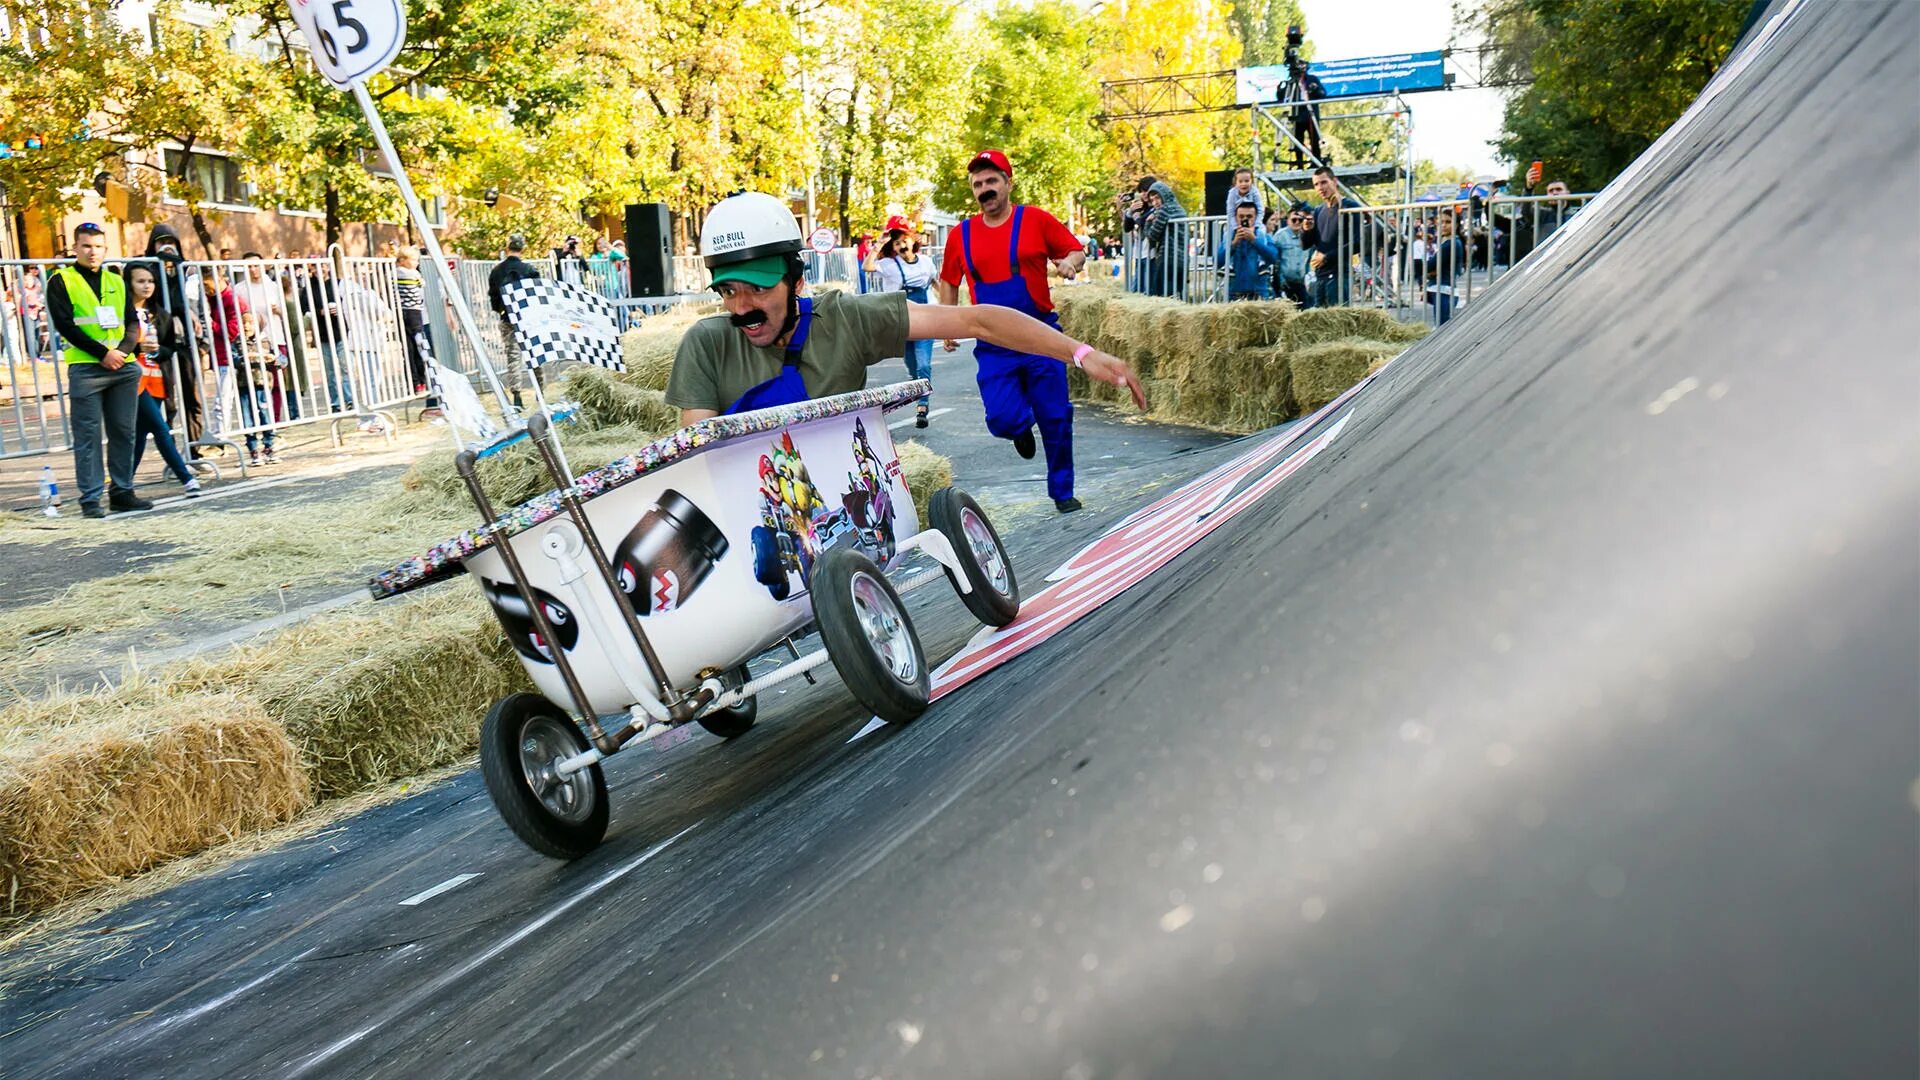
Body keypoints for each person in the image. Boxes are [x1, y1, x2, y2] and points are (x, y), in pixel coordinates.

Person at [667, 189, 1145, 516]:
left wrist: (1080, 353)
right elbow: (699, 459)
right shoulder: (707, 343)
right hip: (757, 509)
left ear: (796, 280)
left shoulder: (844, 319)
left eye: (757, 288)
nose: (742, 307)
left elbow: (979, 319)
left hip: (848, 500)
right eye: (728, 291)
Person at [936, 150, 1124, 512]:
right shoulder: (960, 235)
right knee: (1002, 417)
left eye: (992, 181)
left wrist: (1069, 264)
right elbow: (948, 280)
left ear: (1008, 183)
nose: (984, 189)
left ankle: (1062, 492)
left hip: (1042, 338)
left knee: (1055, 416)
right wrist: (947, 322)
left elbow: (1075, 251)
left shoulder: (1035, 220)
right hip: (993, 345)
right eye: (978, 184)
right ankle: (1019, 429)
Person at [46, 222, 150, 517]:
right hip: (87, 368)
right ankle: (90, 498)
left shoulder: (116, 279)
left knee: (123, 432)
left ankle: (122, 491)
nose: (92, 252)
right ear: (76, 248)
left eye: (98, 246)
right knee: (88, 435)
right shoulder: (61, 280)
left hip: (123, 367)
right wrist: (104, 353)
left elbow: (132, 321)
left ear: (105, 249)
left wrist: (122, 352)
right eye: (86, 246)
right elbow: (65, 325)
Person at [125, 263, 201, 496]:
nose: (146, 286)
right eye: (140, 281)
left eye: (150, 281)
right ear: (129, 283)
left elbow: (171, 346)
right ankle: (186, 478)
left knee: (140, 433)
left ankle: (123, 483)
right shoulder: (122, 312)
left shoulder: (160, 313)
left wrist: (158, 351)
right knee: (160, 427)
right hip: (132, 380)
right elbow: (118, 344)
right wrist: (138, 347)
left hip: (156, 379)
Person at [861, 215, 937, 428]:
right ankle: (921, 388)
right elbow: (867, 267)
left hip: (924, 319)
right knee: (912, 366)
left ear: (913, 241)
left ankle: (922, 405)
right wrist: (879, 243)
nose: (901, 245)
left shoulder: (926, 263)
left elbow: (935, 283)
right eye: (896, 243)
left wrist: (947, 312)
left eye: (904, 240)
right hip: (900, 322)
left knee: (924, 364)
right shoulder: (888, 264)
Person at [141, 224, 203, 451]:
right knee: (167, 398)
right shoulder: (147, 269)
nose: (167, 247)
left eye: (171, 242)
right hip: (160, 338)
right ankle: (170, 448)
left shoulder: (183, 269)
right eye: (161, 242)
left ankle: (194, 447)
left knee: (191, 395)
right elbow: (154, 299)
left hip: (183, 338)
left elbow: (181, 302)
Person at [486, 233, 542, 406]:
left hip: (508, 317)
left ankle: (517, 396)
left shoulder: (496, 271)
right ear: (522, 248)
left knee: (513, 356)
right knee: (535, 353)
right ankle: (539, 392)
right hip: (528, 317)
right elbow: (537, 294)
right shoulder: (530, 270)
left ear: (507, 247)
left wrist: (501, 311)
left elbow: (493, 298)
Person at [234, 253, 291, 421]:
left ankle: (275, 419)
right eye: (248, 266)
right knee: (254, 381)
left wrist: (278, 311)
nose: (252, 270)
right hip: (252, 340)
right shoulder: (239, 289)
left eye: (255, 265)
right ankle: (257, 420)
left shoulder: (273, 286)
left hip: (275, 336)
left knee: (277, 379)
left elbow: (286, 313)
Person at [1301, 166, 1362, 308]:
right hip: (1320, 276)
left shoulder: (1350, 207)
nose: (1320, 188)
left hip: (1340, 275)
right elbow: (1306, 245)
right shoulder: (1317, 211)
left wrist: (1326, 257)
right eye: (1316, 184)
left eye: (1324, 182)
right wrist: (1306, 230)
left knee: (1340, 323)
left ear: (1334, 181)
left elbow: (1357, 243)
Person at [393, 246, 440, 416]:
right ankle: (423, 382)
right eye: (413, 260)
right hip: (414, 312)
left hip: (401, 313)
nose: (416, 263)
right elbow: (422, 286)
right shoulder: (414, 275)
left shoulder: (392, 274)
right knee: (421, 348)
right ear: (403, 260)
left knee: (409, 350)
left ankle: (416, 383)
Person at [1216, 200, 1279, 302]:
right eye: (1241, 217)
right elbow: (1217, 262)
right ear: (1236, 218)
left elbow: (1273, 258)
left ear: (1256, 218)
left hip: (1259, 292)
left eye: (1249, 217)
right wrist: (1234, 244)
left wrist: (1254, 240)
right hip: (1234, 292)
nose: (1245, 220)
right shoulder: (1229, 236)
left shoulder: (1263, 236)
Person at [1140, 180, 1188, 298]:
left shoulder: (1164, 210)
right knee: (1178, 295)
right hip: (1182, 259)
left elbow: (1152, 236)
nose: (1155, 202)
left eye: (1157, 198)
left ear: (1164, 196)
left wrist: (1148, 222)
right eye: (1152, 200)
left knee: (1162, 295)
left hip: (1168, 258)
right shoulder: (1179, 208)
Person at [1424, 209, 1468, 326]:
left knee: (1441, 328)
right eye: (1440, 222)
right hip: (1442, 287)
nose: (1443, 225)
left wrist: (1429, 270)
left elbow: (1429, 266)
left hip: (1444, 288)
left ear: (1456, 224)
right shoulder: (1447, 242)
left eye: (1448, 222)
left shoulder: (1451, 243)